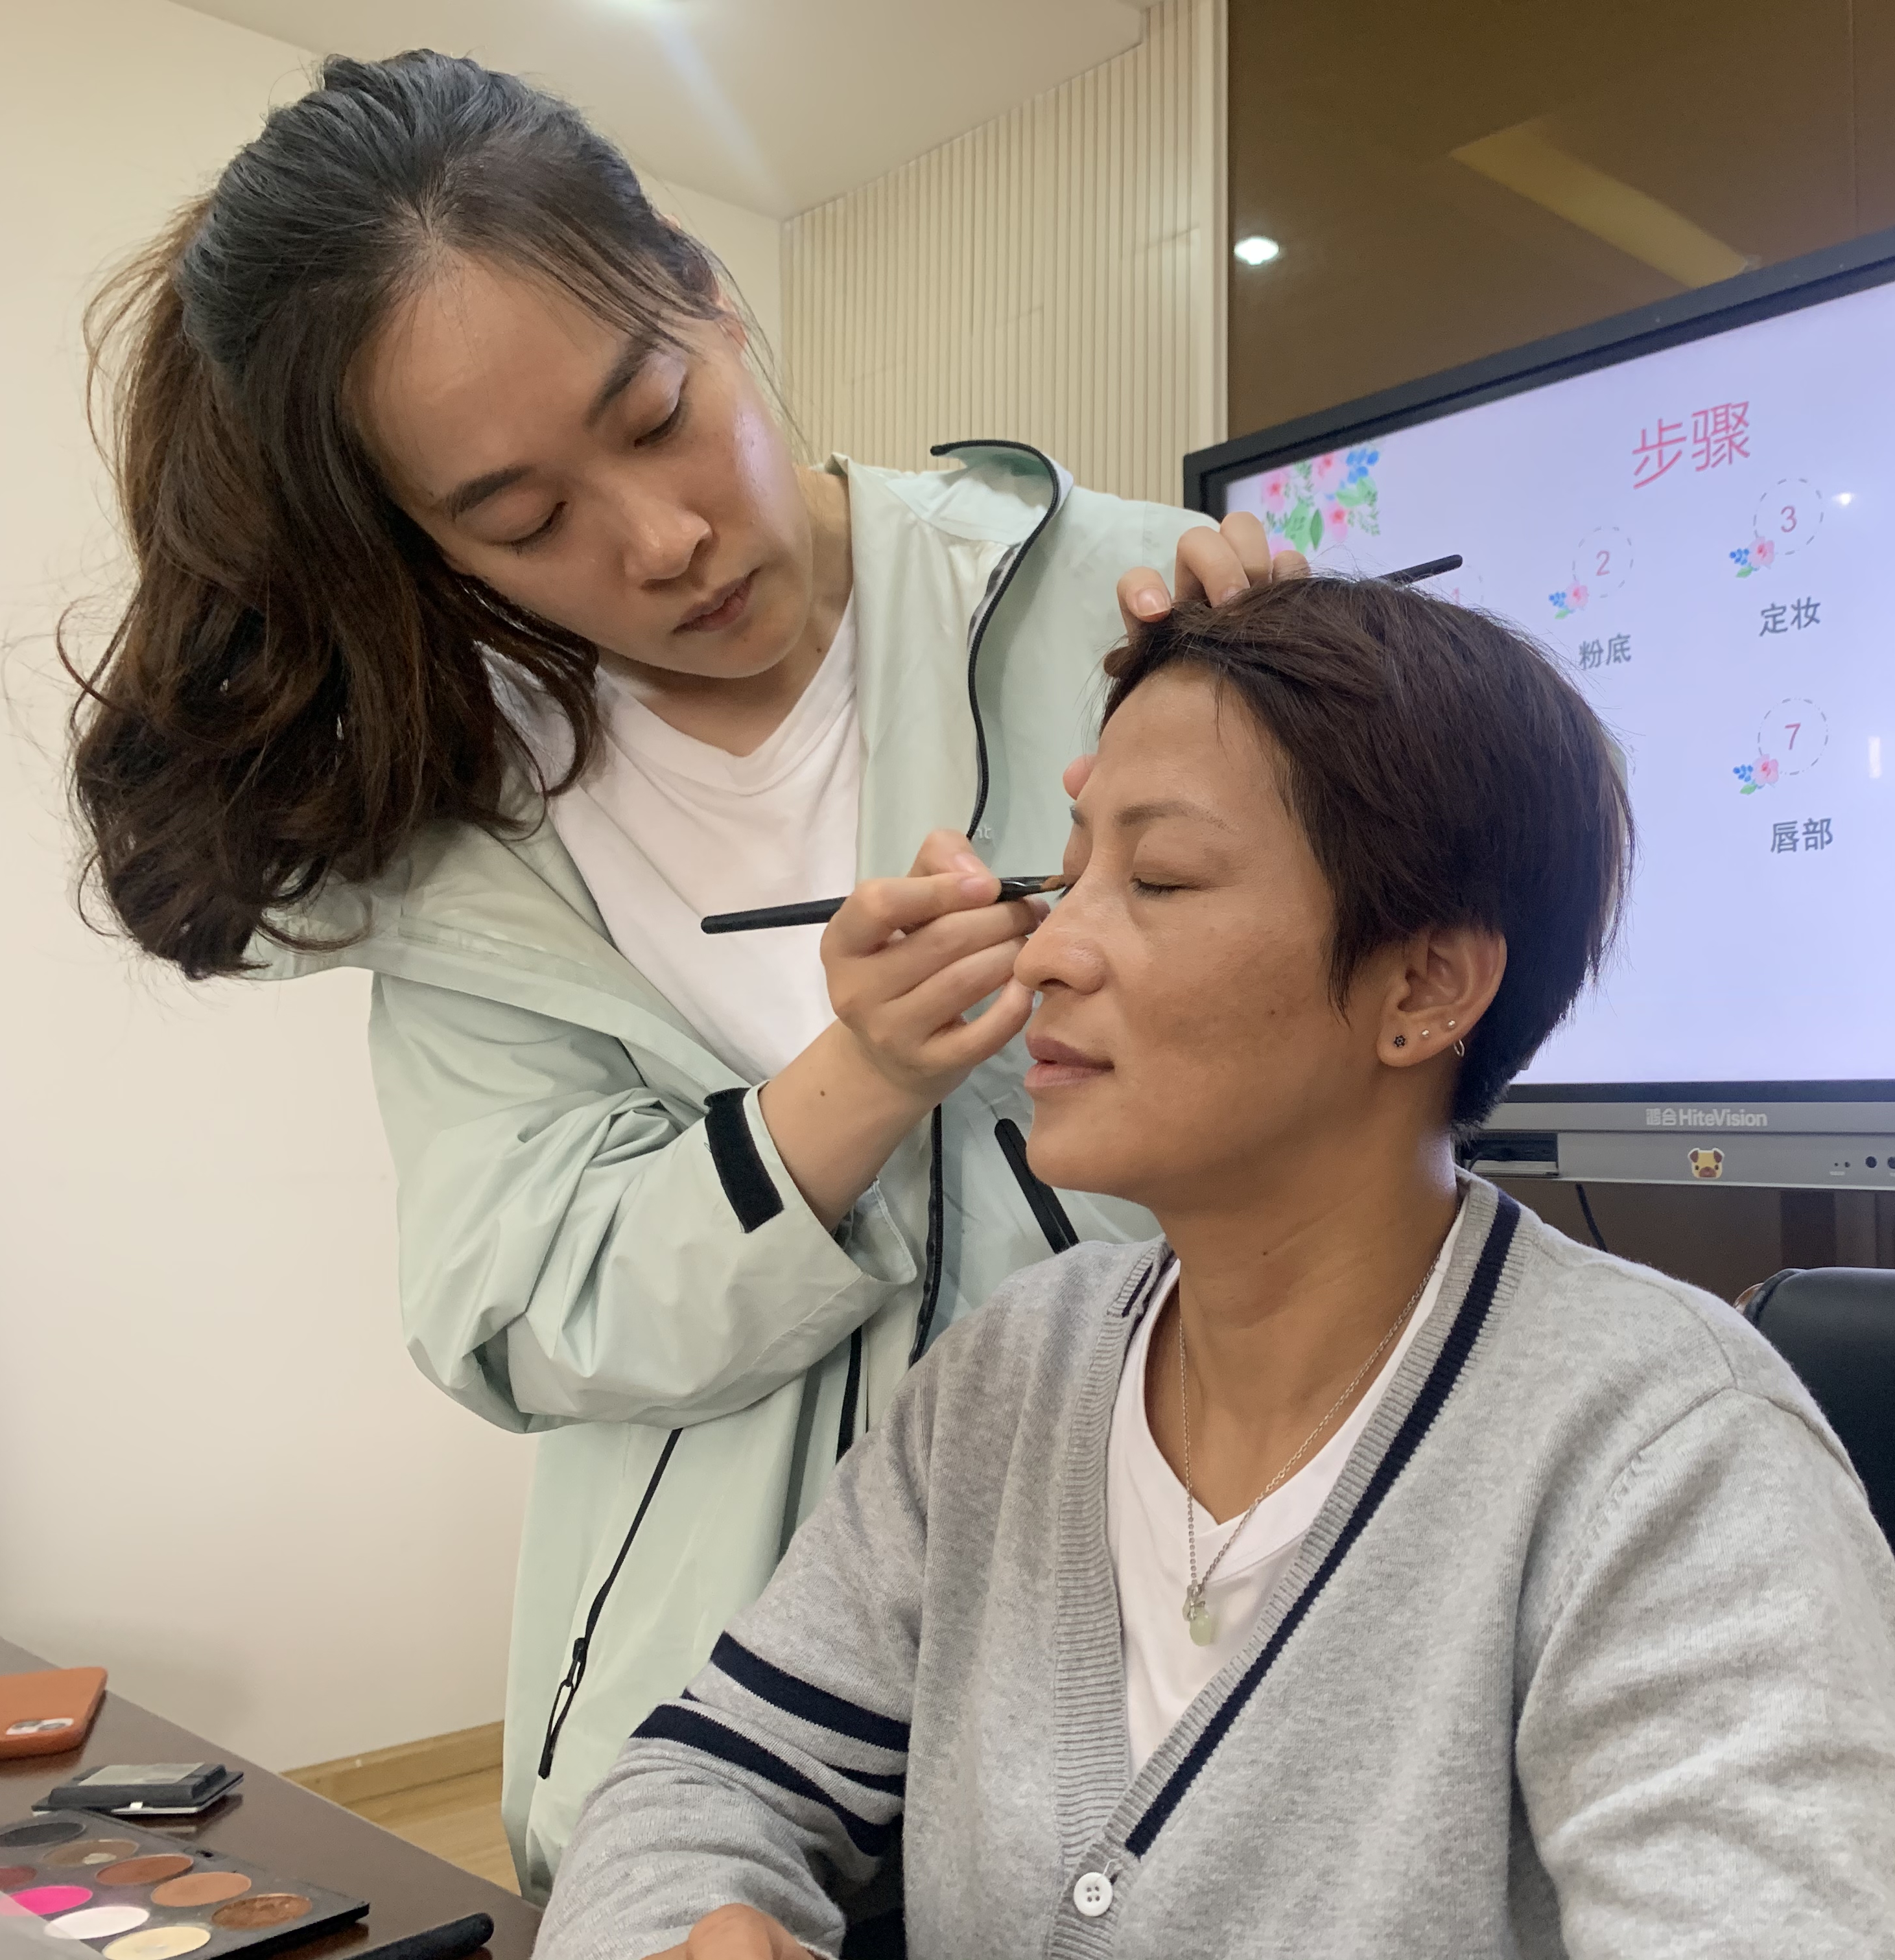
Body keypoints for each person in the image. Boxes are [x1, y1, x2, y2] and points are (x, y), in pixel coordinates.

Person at [67, 49, 1295, 1892]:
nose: (660, 543)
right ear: (418, 541)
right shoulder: (470, 817)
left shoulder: (1133, 608)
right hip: (716, 1764)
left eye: (654, 414)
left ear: (709, 294)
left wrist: (1324, 786)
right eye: (520, 521)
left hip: (1188, 1700)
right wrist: (854, 1085)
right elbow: (517, 1306)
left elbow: (1377, 1095)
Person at [537, 576, 1895, 1960]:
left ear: (1424, 988)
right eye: (1068, 872)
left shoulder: (1670, 1462)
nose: (1049, 949)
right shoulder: (1012, 1375)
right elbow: (702, 1780)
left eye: (1156, 879)